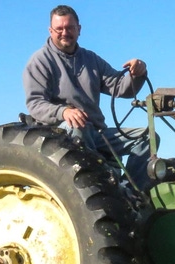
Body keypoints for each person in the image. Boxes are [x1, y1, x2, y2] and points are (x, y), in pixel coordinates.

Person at [23, 5, 151, 191]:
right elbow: (35, 104)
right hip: (62, 133)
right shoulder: (40, 61)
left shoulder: (91, 59)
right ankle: (89, 190)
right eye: (59, 29)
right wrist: (63, 111)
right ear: (51, 31)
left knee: (147, 136)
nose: (64, 32)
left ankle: (131, 194)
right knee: (76, 126)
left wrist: (137, 73)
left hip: (96, 132)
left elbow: (121, 88)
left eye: (70, 28)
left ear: (79, 29)